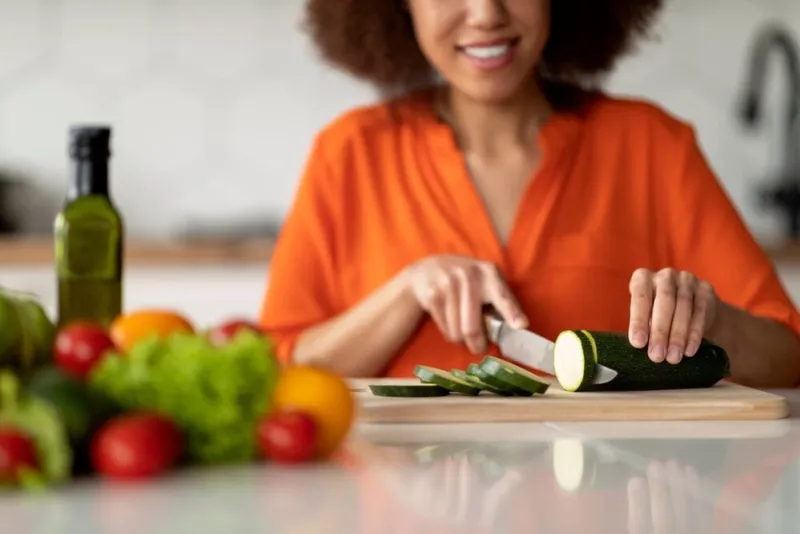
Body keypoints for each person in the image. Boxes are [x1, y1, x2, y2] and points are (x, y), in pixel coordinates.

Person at [259, 0, 800, 388]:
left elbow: (789, 357)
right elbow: (279, 369)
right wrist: (404, 294)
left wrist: (711, 321)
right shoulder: (348, 153)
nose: (486, 12)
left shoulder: (652, 145)